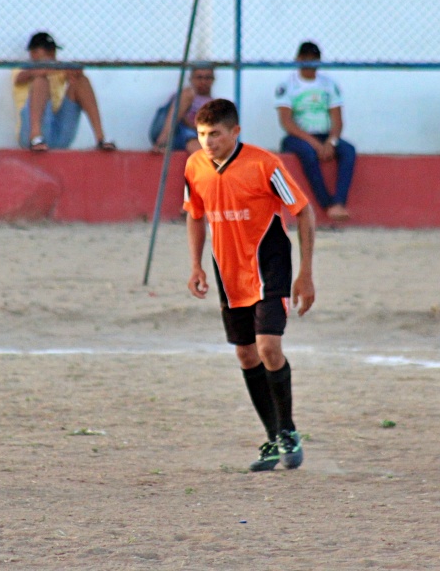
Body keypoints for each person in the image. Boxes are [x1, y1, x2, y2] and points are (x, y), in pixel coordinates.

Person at [184, 98, 316, 472]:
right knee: (245, 355)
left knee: (268, 347)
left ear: (235, 132)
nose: (208, 142)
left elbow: (303, 211)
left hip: (269, 265)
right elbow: (195, 216)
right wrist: (195, 264)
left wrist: (305, 273)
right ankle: (274, 438)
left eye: (216, 134)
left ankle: (288, 431)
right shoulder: (194, 167)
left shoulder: (265, 164)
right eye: (202, 134)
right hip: (227, 273)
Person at [276, 41, 355, 223]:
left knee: (348, 150)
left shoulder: (329, 85)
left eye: (313, 60)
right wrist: (315, 143)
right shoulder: (287, 85)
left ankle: (339, 203)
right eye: (306, 59)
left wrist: (331, 142)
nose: (310, 64)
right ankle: (327, 204)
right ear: (298, 60)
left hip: (325, 136)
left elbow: (337, 119)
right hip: (298, 137)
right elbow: (287, 122)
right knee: (307, 153)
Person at [13, 31, 115, 151]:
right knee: (40, 81)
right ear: (33, 52)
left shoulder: (58, 69)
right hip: (29, 134)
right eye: (47, 50)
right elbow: (21, 77)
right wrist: (51, 68)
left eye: (53, 50)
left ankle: (101, 138)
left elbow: (77, 72)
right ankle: (36, 137)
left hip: (59, 134)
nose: (52, 54)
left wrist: (73, 71)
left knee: (81, 81)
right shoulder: (22, 69)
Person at [151, 65, 215, 154]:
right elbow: (173, 115)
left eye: (207, 78)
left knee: (194, 142)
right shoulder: (185, 94)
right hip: (165, 129)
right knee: (187, 94)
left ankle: (212, 166)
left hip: (184, 136)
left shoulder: (214, 104)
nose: (203, 81)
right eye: (199, 77)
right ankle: (163, 140)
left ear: (213, 80)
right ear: (191, 79)